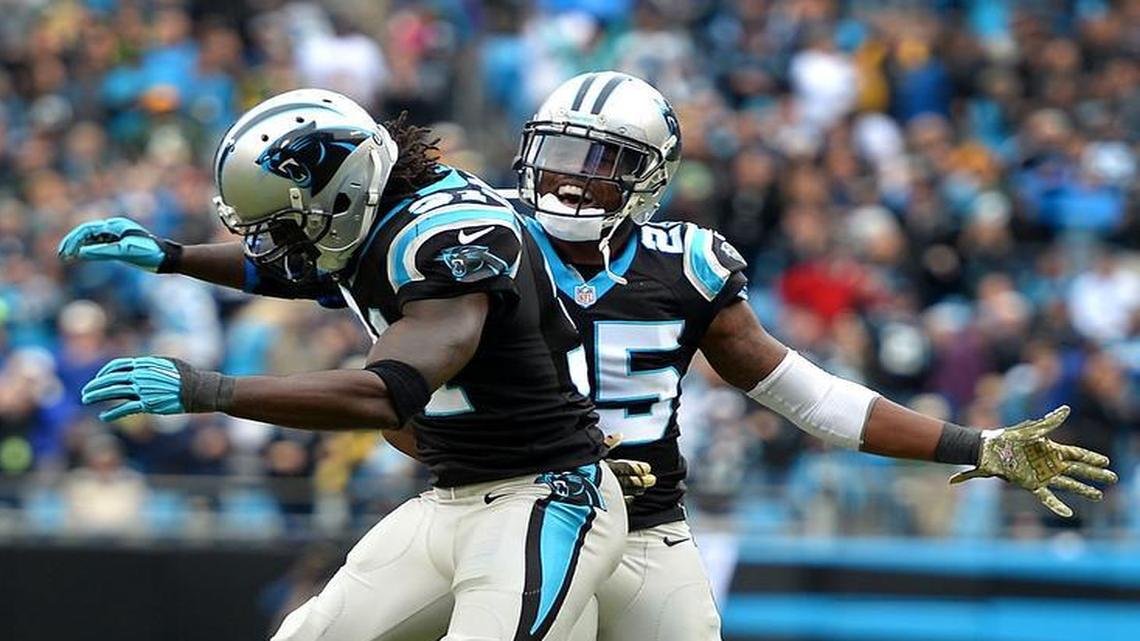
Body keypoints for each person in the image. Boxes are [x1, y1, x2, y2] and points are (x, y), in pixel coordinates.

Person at [510, 71, 1120, 641]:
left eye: (599, 160)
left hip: (647, 532)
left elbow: (815, 399)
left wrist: (978, 445)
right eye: (558, 153)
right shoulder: (490, 244)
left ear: (650, 173)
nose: (570, 178)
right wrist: (563, 470)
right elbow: (443, 385)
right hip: (515, 515)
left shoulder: (681, 268)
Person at [57, 88, 648, 641]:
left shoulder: (454, 238)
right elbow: (295, 266)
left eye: (286, 226)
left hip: (542, 498)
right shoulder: (377, 213)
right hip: (451, 497)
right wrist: (173, 257)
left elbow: (386, 394)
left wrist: (210, 391)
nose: (279, 245)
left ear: (341, 196)